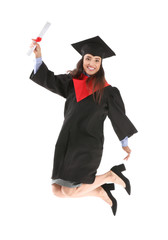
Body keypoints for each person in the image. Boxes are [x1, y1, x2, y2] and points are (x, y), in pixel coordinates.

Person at [29, 36, 138, 215]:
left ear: (101, 64)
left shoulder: (107, 91)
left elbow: (118, 117)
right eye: (89, 58)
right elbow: (49, 80)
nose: (92, 63)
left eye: (97, 60)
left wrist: (124, 144)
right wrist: (38, 57)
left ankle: (110, 176)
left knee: (70, 190)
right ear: (82, 59)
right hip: (66, 142)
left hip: (87, 145)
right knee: (57, 191)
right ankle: (102, 192)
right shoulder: (72, 82)